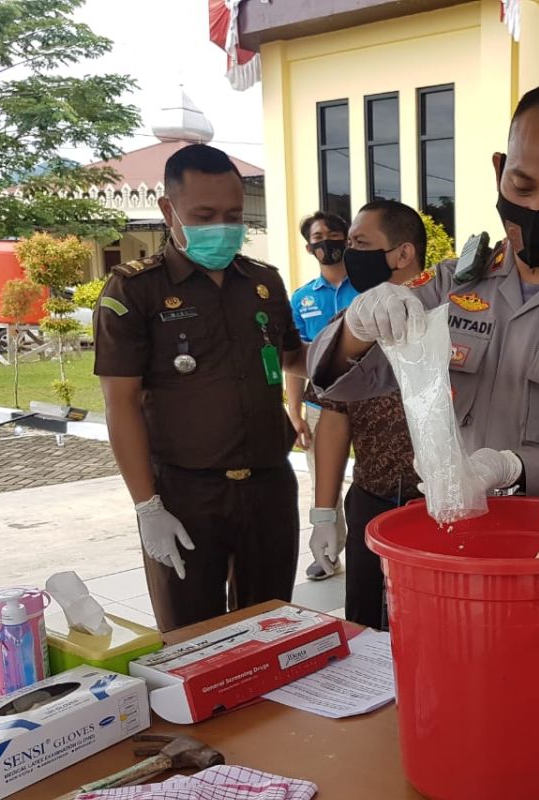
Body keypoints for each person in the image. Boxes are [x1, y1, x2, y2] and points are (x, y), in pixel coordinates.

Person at [308, 79, 539, 675]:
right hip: (455, 550)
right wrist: (356, 326)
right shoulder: (451, 284)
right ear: (500, 169)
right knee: (447, 697)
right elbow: (343, 383)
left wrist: (516, 467)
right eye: (523, 186)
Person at [94, 143, 306, 632]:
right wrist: (147, 507)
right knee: (191, 640)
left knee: (271, 629)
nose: (222, 227)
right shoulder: (135, 290)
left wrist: (358, 339)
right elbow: (119, 403)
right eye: (205, 214)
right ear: (169, 210)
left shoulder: (263, 283)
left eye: (233, 214)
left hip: (269, 487)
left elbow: (295, 358)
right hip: (184, 494)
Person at [308, 200, 425, 627]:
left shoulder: (457, 317)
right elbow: (334, 417)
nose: (348, 253)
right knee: (368, 629)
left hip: (443, 507)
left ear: (402, 254)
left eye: (360, 243)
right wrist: (325, 511)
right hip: (373, 501)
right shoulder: (351, 326)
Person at [287, 210, 356, 581]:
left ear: (347, 238)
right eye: (318, 237)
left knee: (371, 478)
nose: (326, 242)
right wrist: (295, 412)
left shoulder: (369, 286)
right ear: (309, 247)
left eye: (333, 234)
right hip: (320, 405)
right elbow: (293, 361)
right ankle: (330, 553)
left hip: (368, 402)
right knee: (325, 479)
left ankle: (370, 547)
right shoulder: (300, 299)